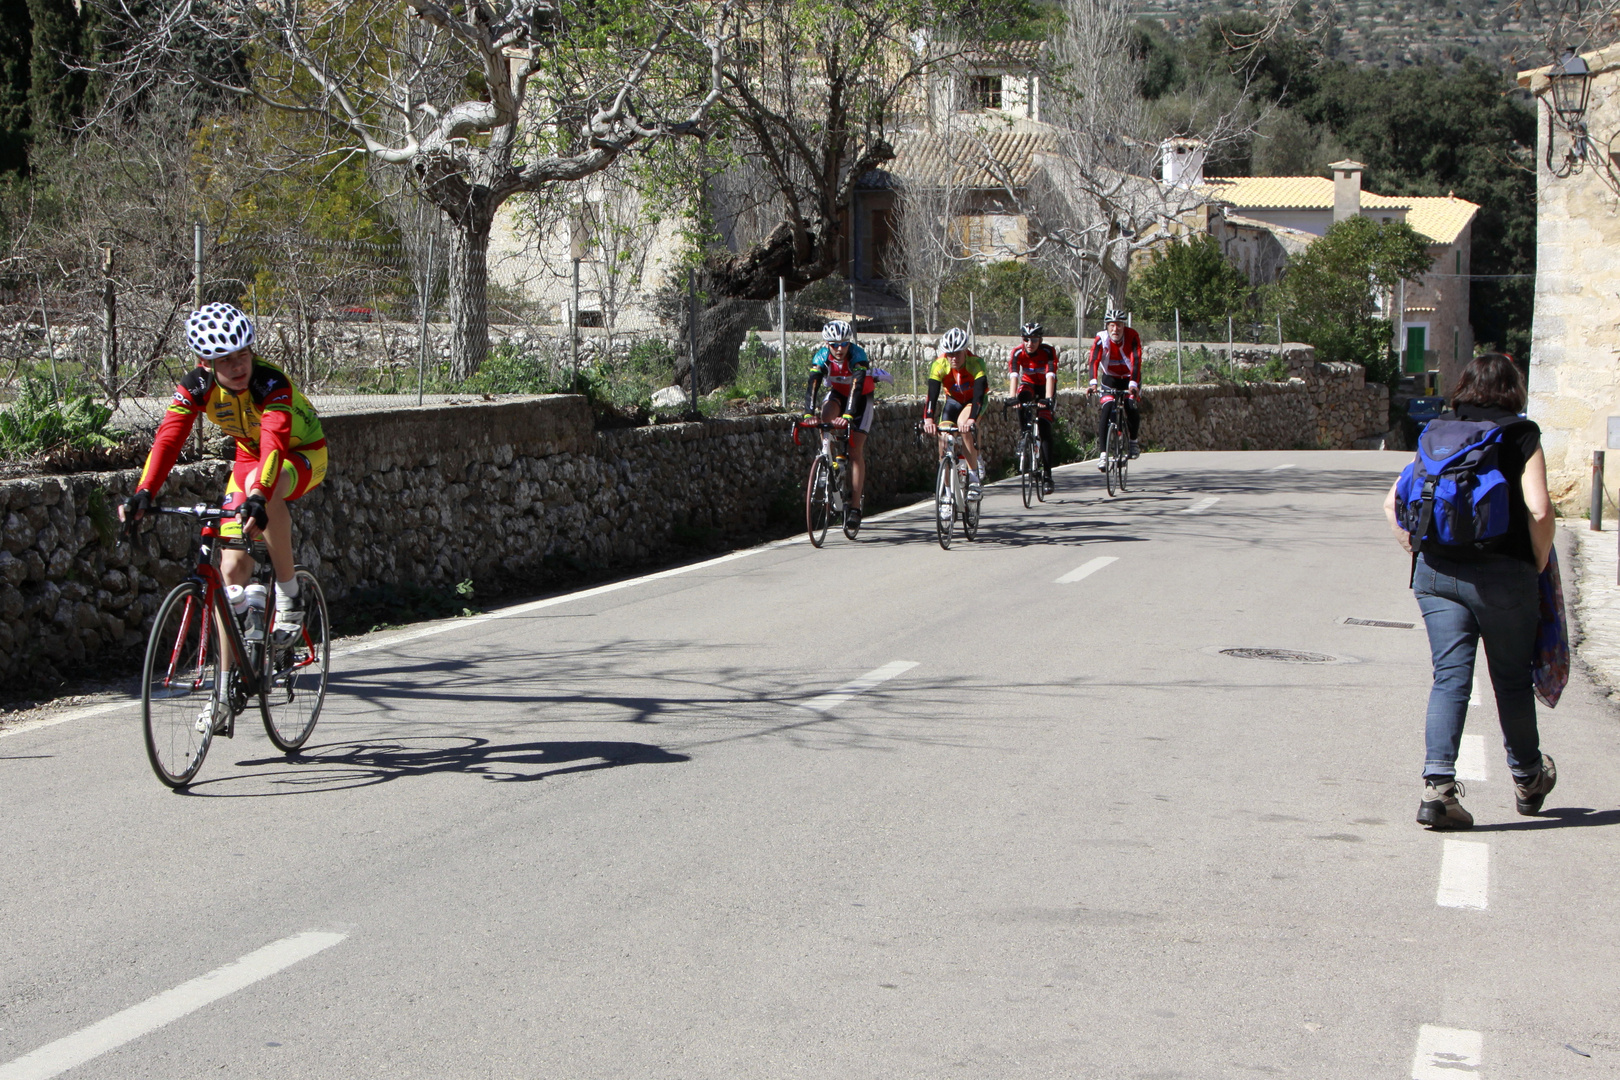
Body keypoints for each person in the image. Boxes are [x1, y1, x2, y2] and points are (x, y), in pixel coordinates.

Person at [1382, 352, 1557, 829]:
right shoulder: (1521, 434)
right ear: (1513, 389)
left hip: (1436, 575)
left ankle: (1437, 790)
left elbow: (1391, 503)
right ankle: (1527, 778)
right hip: (1505, 577)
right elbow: (1539, 511)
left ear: (1464, 386)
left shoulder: (1439, 431)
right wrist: (1536, 563)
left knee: (1449, 677)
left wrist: (1418, 550)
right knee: (1512, 680)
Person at [122, 303, 328, 643]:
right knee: (229, 571)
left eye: (243, 354)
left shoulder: (270, 382)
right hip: (251, 458)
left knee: (256, 485)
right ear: (206, 363)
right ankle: (226, 687)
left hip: (302, 454)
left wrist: (259, 495)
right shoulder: (198, 387)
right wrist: (145, 491)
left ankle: (290, 594)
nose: (238, 366)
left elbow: (274, 442)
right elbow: (169, 439)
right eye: (226, 360)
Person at [803, 319, 874, 533]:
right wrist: (808, 413)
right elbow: (813, 384)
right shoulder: (822, 356)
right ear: (827, 344)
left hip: (860, 398)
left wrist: (849, 416)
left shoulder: (857, 355)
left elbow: (857, 385)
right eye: (834, 345)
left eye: (844, 344)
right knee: (825, 417)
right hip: (837, 394)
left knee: (855, 450)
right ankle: (827, 459)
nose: (840, 349)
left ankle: (854, 508)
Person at [923, 327, 989, 501]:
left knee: (964, 425)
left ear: (965, 351)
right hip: (953, 401)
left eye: (957, 354)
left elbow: (979, 395)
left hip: (973, 402)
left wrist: (972, 420)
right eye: (949, 354)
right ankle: (946, 493)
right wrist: (929, 418)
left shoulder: (976, 363)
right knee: (943, 439)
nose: (953, 358)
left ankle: (974, 479)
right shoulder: (939, 364)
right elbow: (932, 394)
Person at [1009, 321, 1058, 494]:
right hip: (1029, 385)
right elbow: (1014, 376)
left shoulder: (1047, 352)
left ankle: (1047, 476)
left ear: (1040, 340)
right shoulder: (1017, 353)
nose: (1030, 343)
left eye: (1034, 340)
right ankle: (1024, 436)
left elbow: (1051, 376)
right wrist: (1012, 398)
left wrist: (1049, 399)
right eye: (1027, 339)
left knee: (1045, 430)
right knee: (1021, 398)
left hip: (1045, 387)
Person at [1089, 307, 1142, 467]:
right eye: (1112, 325)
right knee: (1106, 409)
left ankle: (1133, 441)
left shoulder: (1132, 336)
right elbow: (1093, 361)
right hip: (1110, 378)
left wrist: (1133, 384)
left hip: (1129, 378)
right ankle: (1103, 454)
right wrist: (1093, 383)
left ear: (1123, 326)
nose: (1115, 329)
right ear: (1107, 326)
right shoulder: (1101, 338)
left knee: (1130, 405)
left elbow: (1136, 361)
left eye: (1119, 325)